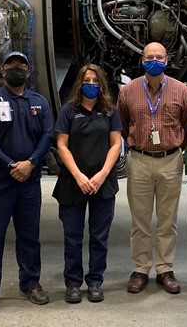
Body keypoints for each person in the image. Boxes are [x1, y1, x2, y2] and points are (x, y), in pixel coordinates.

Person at [0, 51, 54, 313]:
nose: (16, 69)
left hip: (28, 183)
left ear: (28, 72)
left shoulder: (38, 102)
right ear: (2, 72)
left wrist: (30, 162)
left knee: (30, 237)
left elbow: (46, 135)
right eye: (11, 65)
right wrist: (10, 165)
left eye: (21, 65)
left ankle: (30, 284)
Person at [117, 41, 187, 295]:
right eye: (149, 57)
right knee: (140, 220)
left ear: (167, 61)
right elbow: (123, 124)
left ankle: (164, 269)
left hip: (171, 159)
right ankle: (141, 268)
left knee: (167, 220)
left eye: (159, 57)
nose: (154, 61)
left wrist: (178, 151)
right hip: (138, 159)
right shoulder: (127, 91)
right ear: (142, 60)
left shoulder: (182, 91)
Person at [53, 64, 122, 304]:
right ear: (79, 84)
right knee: (72, 237)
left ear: (101, 84)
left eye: (95, 81)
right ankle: (72, 283)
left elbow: (116, 144)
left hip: (103, 183)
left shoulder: (110, 111)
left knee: (99, 237)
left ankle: (95, 281)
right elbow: (62, 145)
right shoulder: (68, 111)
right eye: (87, 80)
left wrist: (103, 174)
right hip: (73, 183)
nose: (91, 84)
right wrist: (79, 176)